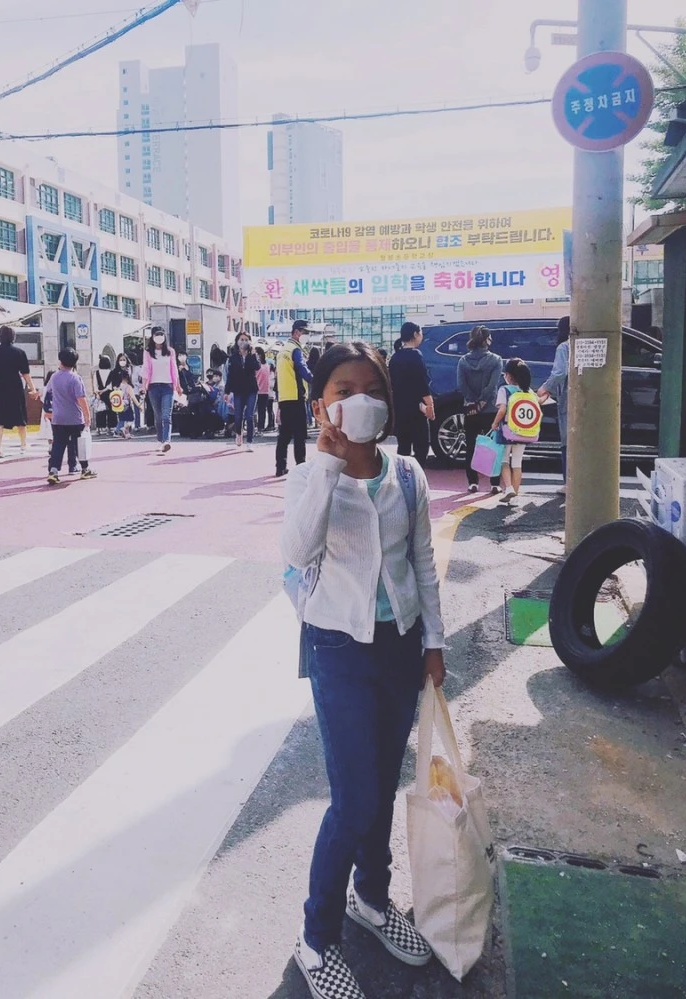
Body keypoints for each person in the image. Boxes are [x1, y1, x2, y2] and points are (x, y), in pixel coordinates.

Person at [281, 341, 445, 999]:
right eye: (342, 390)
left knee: (380, 786)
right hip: (339, 649)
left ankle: (371, 899)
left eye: (371, 390)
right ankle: (316, 938)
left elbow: (423, 562)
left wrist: (434, 643)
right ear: (320, 402)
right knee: (353, 802)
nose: (359, 401)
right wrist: (327, 463)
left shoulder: (407, 474)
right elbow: (298, 550)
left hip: (400, 646)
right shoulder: (308, 475)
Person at [457, 325, 504, 495]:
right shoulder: (496, 360)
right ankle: (494, 483)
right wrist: (483, 401)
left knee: (471, 445)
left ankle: (472, 482)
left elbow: (461, 385)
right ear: (486, 340)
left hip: (471, 409)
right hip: (490, 408)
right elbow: (493, 385)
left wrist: (472, 401)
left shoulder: (463, 361)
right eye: (489, 337)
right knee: (494, 445)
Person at [0, 326, 38, 458]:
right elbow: (25, 374)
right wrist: (32, 388)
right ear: (13, 337)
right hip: (15, 386)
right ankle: (23, 445)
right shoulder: (19, 353)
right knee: (20, 416)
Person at [46, 348, 97, 485]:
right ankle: (85, 469)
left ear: (60, 361)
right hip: (74, 418)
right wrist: (87, 416)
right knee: (79, 444)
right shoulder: (75, 378)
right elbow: (81, 399)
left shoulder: (54, 377)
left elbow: (48, 392)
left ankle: (53, 471)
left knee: (58, 444)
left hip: (58, 418)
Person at [490, 357, 536, 505]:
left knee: (504, 460)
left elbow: (502, 409)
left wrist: (494, 423)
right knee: (517, 462)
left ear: (509, 376)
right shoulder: (529, 391)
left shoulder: (504, 390)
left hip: (507, 431)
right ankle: (515, 496)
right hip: (524, 431)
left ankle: (509, 488)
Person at [388, 321, 434, 468]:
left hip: (399, 408)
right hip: (416, 409)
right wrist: (430, 405)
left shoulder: (395, 357)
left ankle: (402, 476)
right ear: (415, 334)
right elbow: (422, 383)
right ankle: (417, 474)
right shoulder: (416, 355)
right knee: (421, 447)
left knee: (403, 447)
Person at [275, 319, 314, 477]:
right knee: (299, 435)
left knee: (284, 435)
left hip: (284, 397)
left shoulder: (282, 351)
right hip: (296, 397)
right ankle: (301, 467)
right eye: (305, 333)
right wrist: (315, 380)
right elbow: (302, 369)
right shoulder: (295, 350)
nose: (307, 336)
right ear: (297, 332)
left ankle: (280, 467)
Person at [538, 315, 570, 491]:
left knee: (567, 441)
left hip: (568, 399)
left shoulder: (564, 347)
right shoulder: (582, 345)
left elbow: (559, 373)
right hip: (586, 400)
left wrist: (545, 388)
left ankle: (568, 483)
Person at [142, 325, 183, 455]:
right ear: (152, 337)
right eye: (157, 335)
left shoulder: (170, 351)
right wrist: (143, 386)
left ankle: (166, 441)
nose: (159, 337)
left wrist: (177, 385)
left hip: (167, 386)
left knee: (166, 415)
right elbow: (145, 369)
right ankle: (160, 439)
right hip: (153, 386)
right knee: (158, 416)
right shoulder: (148, 352)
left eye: (161, 334)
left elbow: (174, 369)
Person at [225, 331, 260, 450]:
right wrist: (227, 391)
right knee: (238, 416)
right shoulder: (233, 357)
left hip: (251, 389)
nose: (244, 342)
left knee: (249, 415)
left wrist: (253, 354)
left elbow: (257, 366)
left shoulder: (252, 355)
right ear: (237, 341)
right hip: (238, 389)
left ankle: (250, 441)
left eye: (246, 339)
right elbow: (230, 375)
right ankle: (239, 434)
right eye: (241, 339)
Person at [111, 372, 142, 439]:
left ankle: (124, 433)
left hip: (119, 405)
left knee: (122, 419)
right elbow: (133, 397)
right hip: (126, 405)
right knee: (131, 420)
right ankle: (122, 429)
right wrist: (139, 405)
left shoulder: (118, 387)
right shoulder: (128, 387)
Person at [93, 356, 115, 435]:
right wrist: (104, 390)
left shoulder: (96, 373)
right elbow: (110, 385)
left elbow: (95, 384)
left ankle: (99, 428)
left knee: (100, 411)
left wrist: (98, 393)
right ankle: (110, 427)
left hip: (99, 394)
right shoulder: (112, 372)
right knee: (111, 411)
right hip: (109, 394)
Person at [306, 346, 322, 426]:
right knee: (318, 401)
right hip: (318, 383)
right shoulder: (320, 363)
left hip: (308, 383)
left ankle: (310, 421)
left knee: (309, 402)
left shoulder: (307, 363)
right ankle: (317, 422)